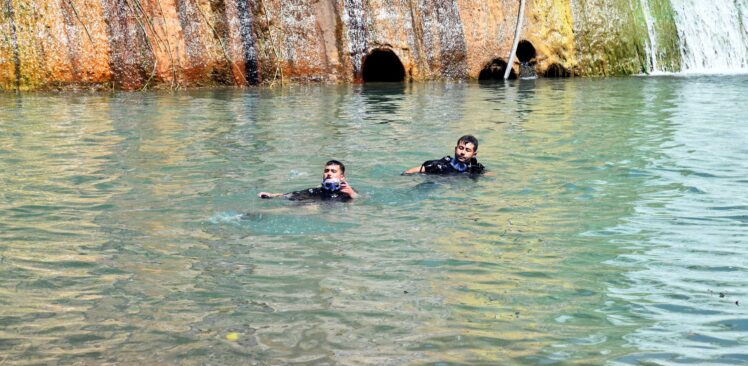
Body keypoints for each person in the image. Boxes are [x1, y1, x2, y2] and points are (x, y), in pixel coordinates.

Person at [258, 160, 358, 201]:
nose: (329, 173)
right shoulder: (317, 190)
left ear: (342, 176)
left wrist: (352, 194)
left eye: (333, 171)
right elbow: (293, 194)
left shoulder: (349, 191)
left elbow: (363, 201)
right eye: (326, 170)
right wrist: (272, 195)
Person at [403, 135, 485, 175]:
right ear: (455, 149)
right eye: (461, 148)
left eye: (468, 150)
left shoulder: (474, 169)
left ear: (474, 154)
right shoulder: (443, 165)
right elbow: (410, 171)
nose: (462, 152)